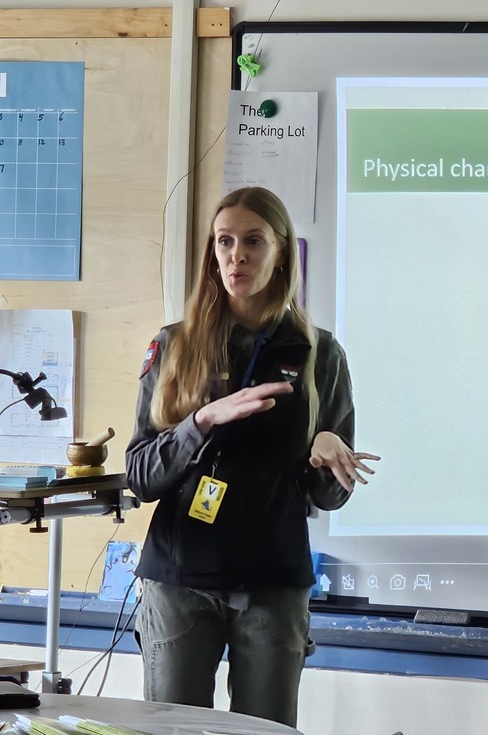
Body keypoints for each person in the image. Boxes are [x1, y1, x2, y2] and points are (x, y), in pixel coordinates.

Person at [125, 186, 379, 727]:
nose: (236, 255)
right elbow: (141, 476)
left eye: (253, 241)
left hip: (272, 581)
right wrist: (201, 421)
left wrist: (325, 458)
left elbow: (329, 496)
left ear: (282, 251)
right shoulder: (174, 346)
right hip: (180, 577)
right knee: (175, 730)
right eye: (224, 242)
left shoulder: (320, 353)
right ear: (213, 254)